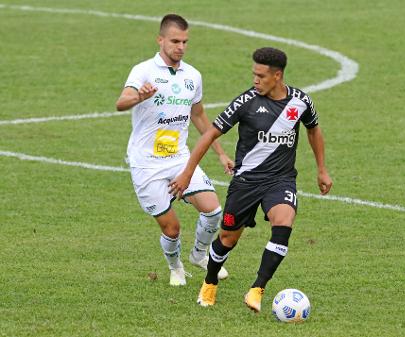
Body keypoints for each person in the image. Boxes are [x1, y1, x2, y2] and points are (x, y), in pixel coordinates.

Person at [169, 47, 333, 311]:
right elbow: (210, 134)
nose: (255, 80)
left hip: (280, 180)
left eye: (261, 75)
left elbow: (314, 130)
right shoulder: (245, 102)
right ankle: (210, 282)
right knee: (227, 239)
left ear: (277, 76)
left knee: (284, 223)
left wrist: (322, 169)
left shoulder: (300, 101)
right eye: (253, 74)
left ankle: (257, 289)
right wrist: (187, 173)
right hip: (246, 182)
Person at [116, 14, 233, 286]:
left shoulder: (192, 76)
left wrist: (221, 153)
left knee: (213, 210)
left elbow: (200, 116)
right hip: (147, 164)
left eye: (185, 41)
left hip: (179, 158)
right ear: (160, 40)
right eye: (175, 41)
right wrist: (138, 96)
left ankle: (199, 255)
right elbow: (121, 103)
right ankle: (175, 267)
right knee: (172, 228)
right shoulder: (143, 71)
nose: (180, 46)